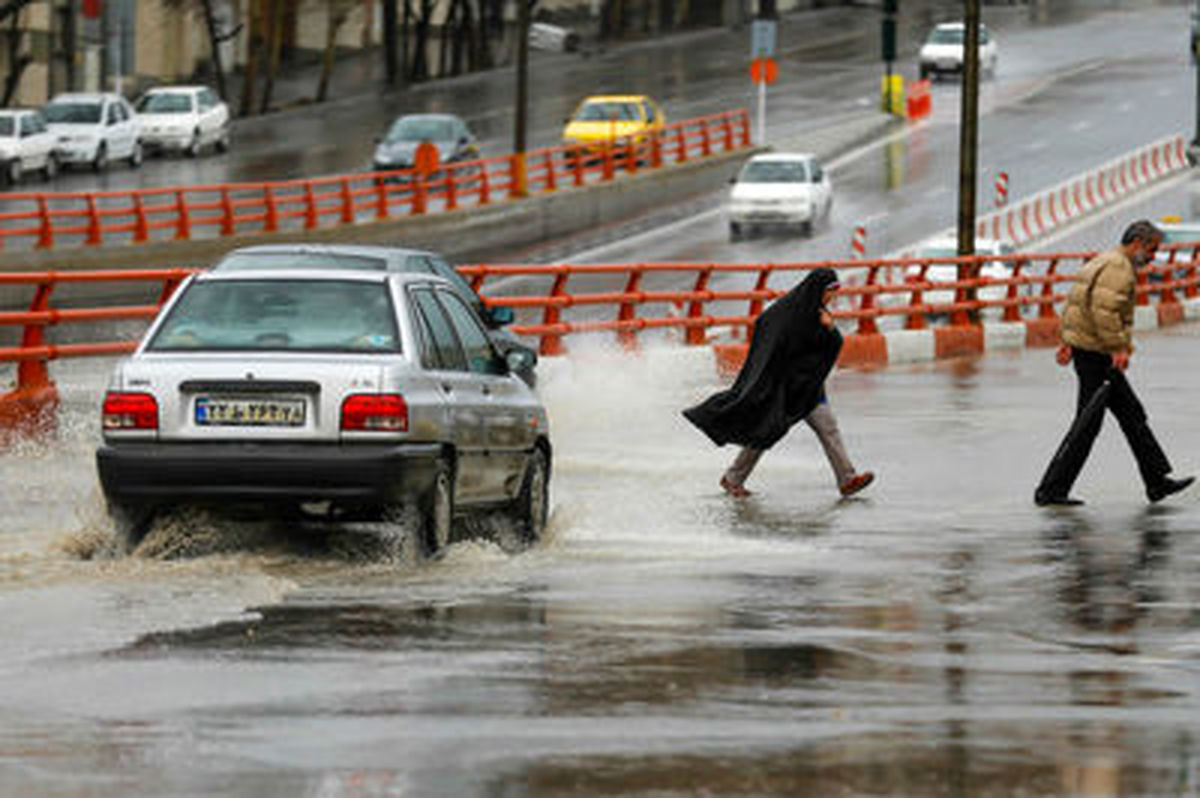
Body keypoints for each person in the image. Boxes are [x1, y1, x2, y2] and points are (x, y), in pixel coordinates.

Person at [1034, 219, 1194, 506]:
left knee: (1132, 415)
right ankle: (1051, 490)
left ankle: (1156, 481)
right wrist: (1118, 347)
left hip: (1090, 350)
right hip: (1097, 355)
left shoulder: (1104, 260)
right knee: (1088, 424)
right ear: (1137, 243)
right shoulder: (1119, 269)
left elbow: (1077, 302)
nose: (1154, 257)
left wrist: (1068, 340)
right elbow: (1103, 312)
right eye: (1152, 250)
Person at [682, 267, 875, 499]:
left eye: (835, 291)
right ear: (817, 290)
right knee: (766, 430)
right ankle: (733, 479)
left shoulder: (820, 315)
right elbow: (766, 328)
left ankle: (847, 479)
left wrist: (831, 329)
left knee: (828, 427)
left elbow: (829, 348)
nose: (833, 297)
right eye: (830, 291)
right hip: (780, 388)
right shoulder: (787, 312)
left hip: (808, 388)